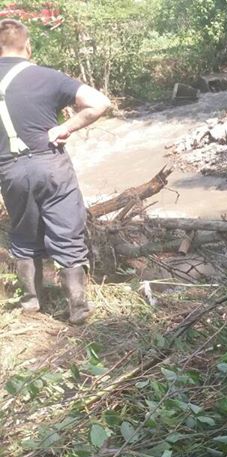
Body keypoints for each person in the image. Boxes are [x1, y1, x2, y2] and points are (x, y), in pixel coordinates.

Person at [0, 19, 111, 324]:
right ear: (28, 44)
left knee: (23, 234)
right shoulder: (47, 77)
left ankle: (32, 303)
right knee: (66, 233)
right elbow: (99, 103)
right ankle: (77, 308)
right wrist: (66, 127)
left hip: (9, 172)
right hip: (49, 165)